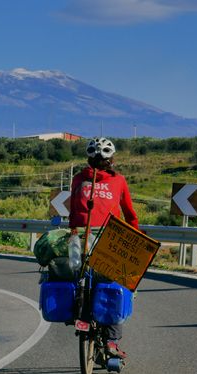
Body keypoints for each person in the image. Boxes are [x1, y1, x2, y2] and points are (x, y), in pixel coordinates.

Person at [69, 137, 138, 359]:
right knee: (117, 285)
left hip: (81, 238)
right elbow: (129, 214)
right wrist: (135, 236)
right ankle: (111, 341)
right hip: (109, 240)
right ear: (112, 159)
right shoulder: (118, 181)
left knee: (81, 279)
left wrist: (73, 233)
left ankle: (81, 316)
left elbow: (72, 212)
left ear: (89, 159)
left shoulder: (79, 178)